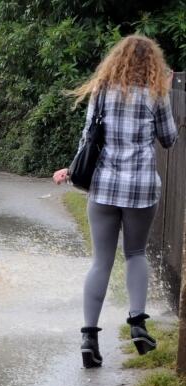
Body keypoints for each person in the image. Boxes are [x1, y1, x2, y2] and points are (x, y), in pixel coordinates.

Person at [53, 34, 178, 369]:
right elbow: (168, 139)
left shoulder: (102, 92)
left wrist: (71, 167)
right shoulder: (156, 95)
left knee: (101, 262)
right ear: (153, 63)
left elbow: (87, 138)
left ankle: (89, 338)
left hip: (104, 187)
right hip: (140, 189)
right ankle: (138, 324)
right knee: (135, 253)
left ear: (116, 60)